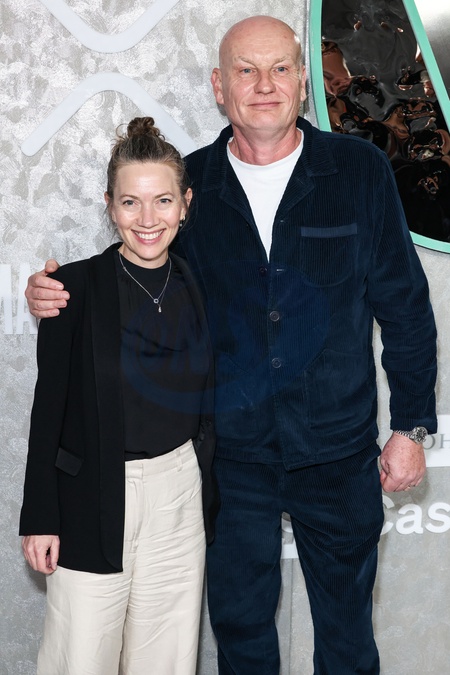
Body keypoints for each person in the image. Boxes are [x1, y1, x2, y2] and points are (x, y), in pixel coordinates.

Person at [25, 16, 437, 675]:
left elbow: (406, 306)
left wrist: (411, 426)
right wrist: (57, 291)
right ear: (220, 87)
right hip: (229, 462)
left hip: (338, 454)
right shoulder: (190, 184)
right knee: (241, 637)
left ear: (303, 80)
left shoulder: (359, 171)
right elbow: (135, 268)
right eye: (246, 70)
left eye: (280, 68)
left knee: (348, 640)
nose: (264, 85)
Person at [20, 117, 219, 675]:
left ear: (186, 204)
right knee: (82, 657)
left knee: (167, 660)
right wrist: (40, 515)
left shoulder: (199, 285)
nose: (147, 219)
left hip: (179, 498)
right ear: (110, 206)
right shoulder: (71, 289)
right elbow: (48, 409)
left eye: (163, 201)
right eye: (131, 202)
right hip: (92, 499)